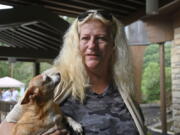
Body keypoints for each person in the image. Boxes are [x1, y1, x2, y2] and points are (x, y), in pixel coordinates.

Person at [0, 10, 146, 135]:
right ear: (76, 43)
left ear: (113, 44)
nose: (92, 46)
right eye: (85, 38)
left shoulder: (124, 87)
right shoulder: (55, 80)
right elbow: (5, 128)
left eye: (101, 38)